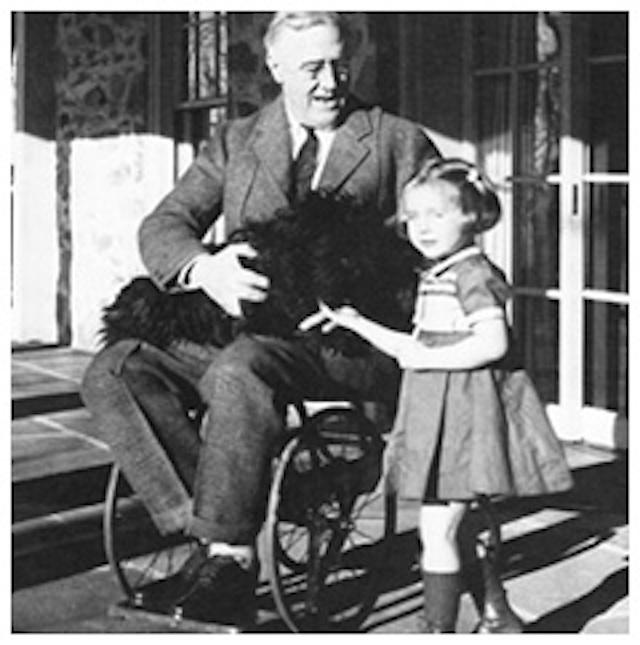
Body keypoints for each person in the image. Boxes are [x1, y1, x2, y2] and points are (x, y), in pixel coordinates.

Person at [80, 11, 439, 624]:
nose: (331, 82)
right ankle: (211, 533)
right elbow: (164, 225)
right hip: (243, 331)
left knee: (240, 369)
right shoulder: (237, 140)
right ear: (275, 68)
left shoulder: (396, 141)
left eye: (340, 64)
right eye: (312, 68)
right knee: (116, 369)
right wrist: (204, 270)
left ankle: (231, 557)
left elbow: (437, 250)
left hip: (341, 345)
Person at [301, 157, 574, 633]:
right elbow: (411, 348)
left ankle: (437, 629)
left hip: (465, 417)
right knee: (455, 527)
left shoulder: (473, 274)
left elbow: (493, 343)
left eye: (437, 214)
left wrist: (428, 359)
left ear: (472, 215)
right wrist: (355, 322)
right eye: (413, 217)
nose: (422, 227)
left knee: (436, 531)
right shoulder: (438, 272)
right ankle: (498, 618)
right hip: (436, 414)